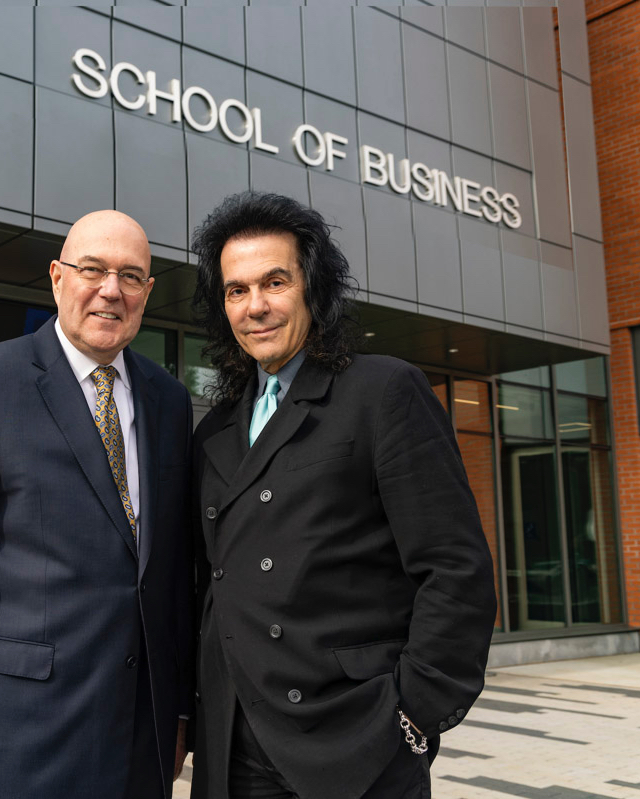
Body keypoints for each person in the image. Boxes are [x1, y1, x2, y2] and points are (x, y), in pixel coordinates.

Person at [187, 192, 497, 799]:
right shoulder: (215, 427)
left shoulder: (383, 391)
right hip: (235, 743)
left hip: (353, 741)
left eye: (274, 282)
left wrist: (413, 717)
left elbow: (455, 568)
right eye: (235, 290)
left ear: (313, 287)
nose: (256, 307)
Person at [0, 210, 195, 799]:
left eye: (131, 276)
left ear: (148, 293)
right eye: (93, 270)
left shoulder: (169, 400)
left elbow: (171, 573)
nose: (111, 290)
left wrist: (177, 711)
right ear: (57, 278)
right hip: (18, 738)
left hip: (140, 738)